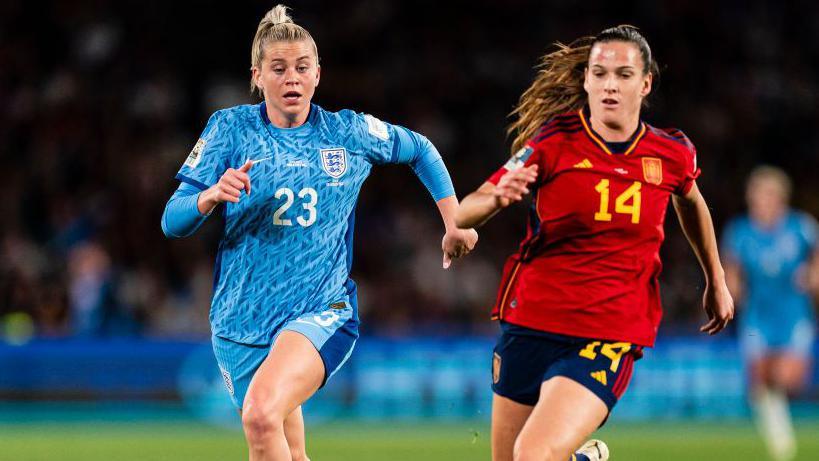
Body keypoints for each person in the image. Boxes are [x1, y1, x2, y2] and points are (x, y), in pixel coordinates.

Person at [161, 5, 478, 460]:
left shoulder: (348, 132)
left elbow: (420, 149)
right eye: (279, 68)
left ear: (317, 75)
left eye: (302, 67)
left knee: (260, 415)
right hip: (239, 323)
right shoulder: (229, 129)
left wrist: (454, 220)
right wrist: (208, 196)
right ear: (258, 77)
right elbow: (172, 220)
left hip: (319, 311)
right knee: (281, 446)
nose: (292, 77)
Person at [455, 25, 735, 461]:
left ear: (645, 84)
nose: (609, 85)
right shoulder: (553, 141)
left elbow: (692, 201)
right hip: (532, 318)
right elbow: (467, 209)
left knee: (533, 454)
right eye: (600, 73)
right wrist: (496, 199)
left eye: (623, 75)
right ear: (585, 79)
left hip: (609, 329)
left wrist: (715, 278)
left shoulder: (671, 153)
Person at [722, 166, 818, 461]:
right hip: (758, 315)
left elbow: (816, 263)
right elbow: (732, 274)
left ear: (779, 197)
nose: (759, 201)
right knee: (760, 381)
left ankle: (780, 427)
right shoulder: (739, 232)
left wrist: (812, 278)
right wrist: (728, 295)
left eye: (765, 195)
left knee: (788, 378)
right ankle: (781, 441)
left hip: (794, 313)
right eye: (755, 195)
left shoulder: (801, 227)